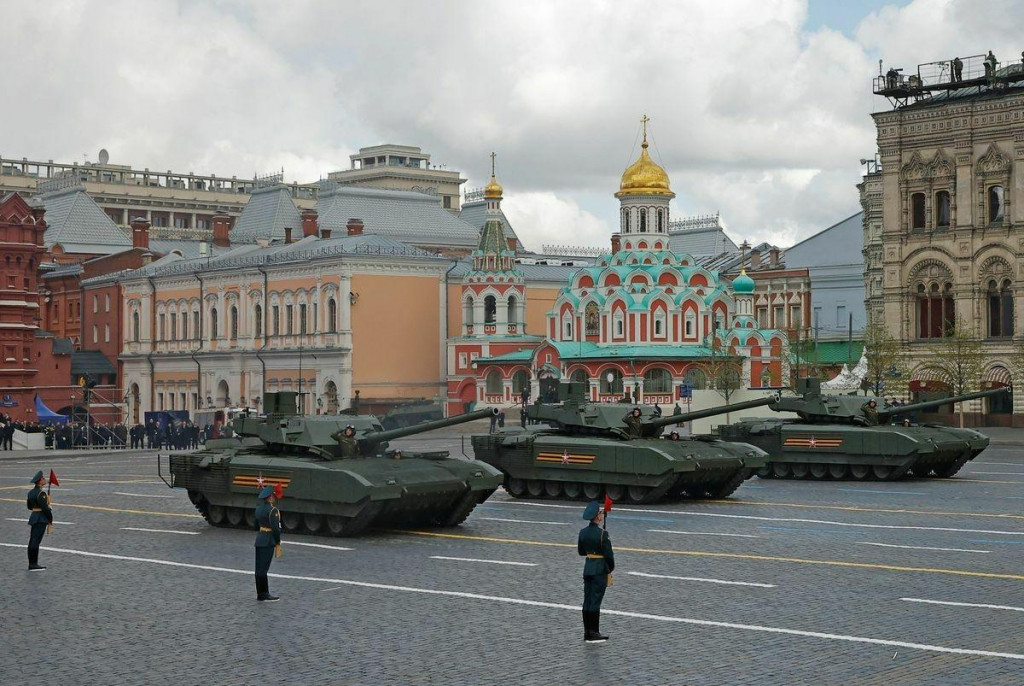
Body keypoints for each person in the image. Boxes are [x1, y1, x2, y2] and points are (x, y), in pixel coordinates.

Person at [577, 500, 614, 643]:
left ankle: (587, 631)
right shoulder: (602, 534)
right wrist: (609, 568)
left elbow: (581, 552)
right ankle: (594, 632)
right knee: (596, 601)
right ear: (597, 516)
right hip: (599, 569)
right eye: (600, 513)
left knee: (587, 600)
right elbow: (609, 556)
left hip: (588, 568)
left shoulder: (583, 532)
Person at [254, 485, 281, 602]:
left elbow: (256, 525)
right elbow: (275, 529)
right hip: (268, 541)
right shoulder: (273, 511)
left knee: (258, 569)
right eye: (273, 496)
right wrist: (277, 542)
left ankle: (260, 593)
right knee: (264, 569)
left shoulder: (258, 509)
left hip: (259, 539)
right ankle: (265, 593)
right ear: (270, 497)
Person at [26, 470, 53, 571]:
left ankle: (32, 563)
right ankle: (33, 564)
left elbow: (29, 506)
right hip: (41, 518)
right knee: (35, 541)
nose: (45, 479)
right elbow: (45, 509)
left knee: (33, 540)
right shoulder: (41, 493)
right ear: (40, 481)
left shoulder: (31, 492)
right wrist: (50, 518)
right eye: (43, 478)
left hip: (34, 517)